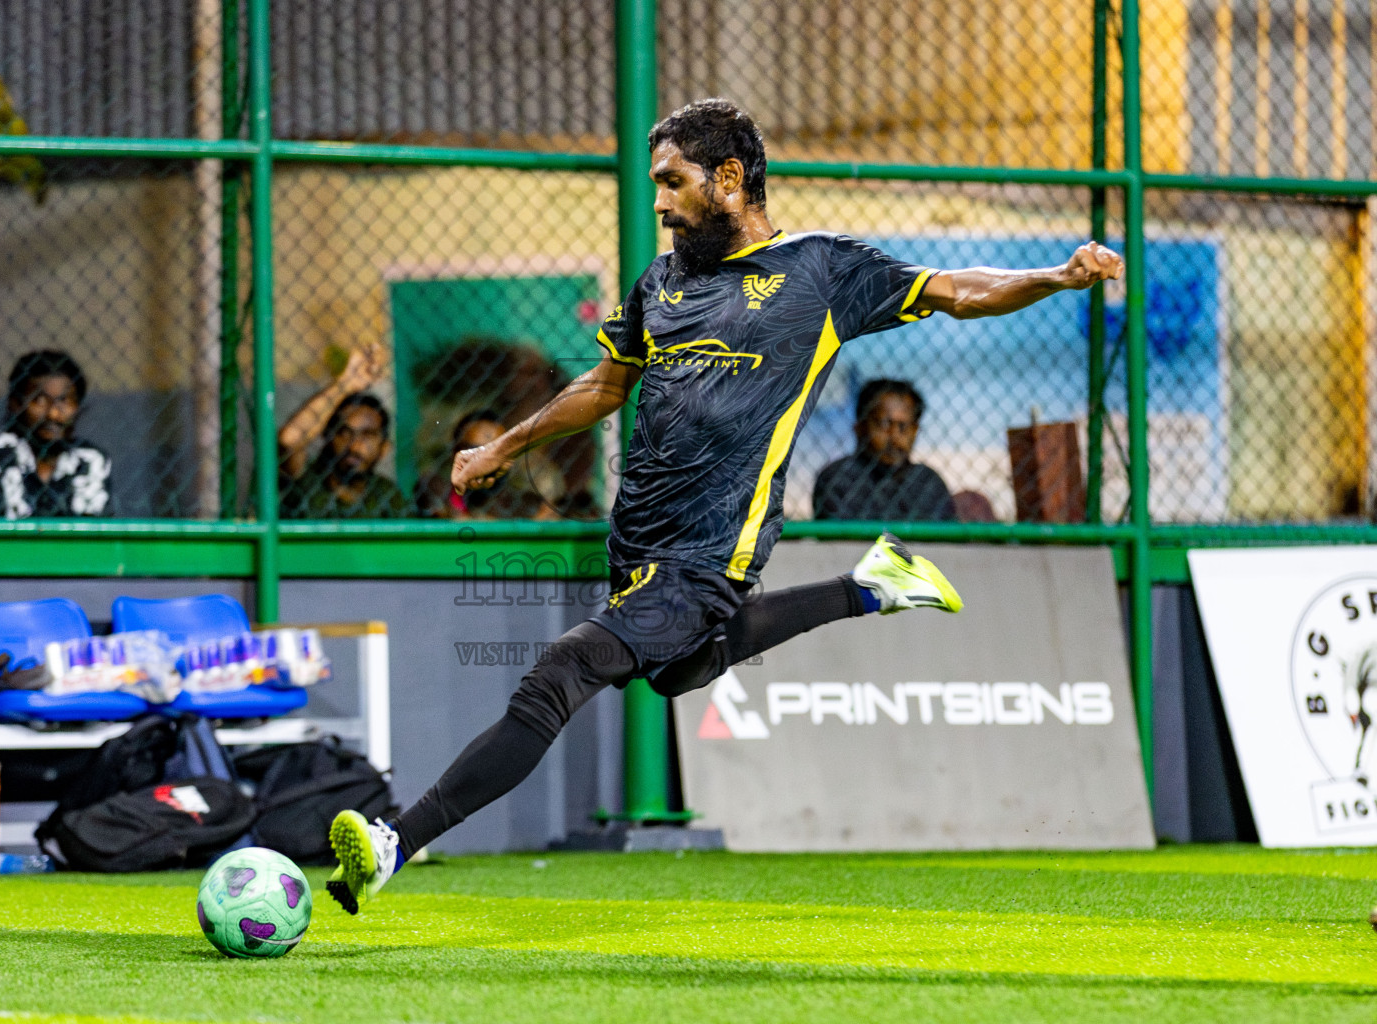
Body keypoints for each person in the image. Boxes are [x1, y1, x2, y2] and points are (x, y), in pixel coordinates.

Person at [323, 98, 1123, 914]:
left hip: (709, 553)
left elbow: (959, 289)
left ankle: (396, 839)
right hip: (636, 547)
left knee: (557, 677)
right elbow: (606, 383)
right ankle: (870, 587)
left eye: (673, 183)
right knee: (681, 671)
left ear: (731, 179)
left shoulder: (822, 272)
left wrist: (1055, 277)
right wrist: (504, 447)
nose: (659, 202)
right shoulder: (662, 283)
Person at [0, 350, 112, 519]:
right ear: (16, 404)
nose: (53, 413)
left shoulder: (90, 460)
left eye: (64, 400)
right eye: (39, 401)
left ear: (77, 407)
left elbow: (95, 534)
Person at [812, 379, 955, 521]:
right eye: (884, 424)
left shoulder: (928, 482)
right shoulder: (838, 478)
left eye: (903, 426)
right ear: (860, 427)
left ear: (915, 430)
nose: (894, 436)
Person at [279, 392, 412, 519]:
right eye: (345, 433)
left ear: (384, 448)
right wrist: (346, 383)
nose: (354, 446)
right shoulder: (306, 480)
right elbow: (289, 440)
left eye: (368, 435)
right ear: (328, 436)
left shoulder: (387, 494)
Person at [415, 409, 558, 520]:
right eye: (475, 451)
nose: (486, 460)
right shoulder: (435, 488)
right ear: (455, 452)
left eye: (496, 451)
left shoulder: (519, 500)